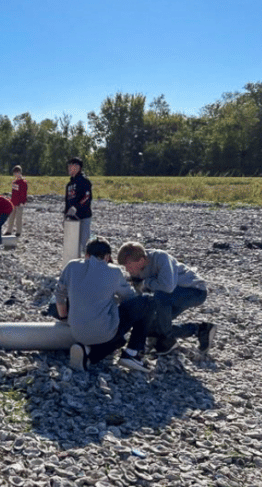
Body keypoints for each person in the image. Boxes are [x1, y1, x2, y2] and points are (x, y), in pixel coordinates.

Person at [56, 237, 152, 372]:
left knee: (120, 340)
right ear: (107, 257)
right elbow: (130, 298)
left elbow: (59, 295)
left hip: (76, 332)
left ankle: (87, 352)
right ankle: (132, 353)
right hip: (104, 333)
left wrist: (64, 318)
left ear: (86, 255)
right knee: (146, 302)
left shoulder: (71, 266)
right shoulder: (114, 271)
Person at [117, 242, 216, 354]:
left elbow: (167, 287)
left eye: (128, 265)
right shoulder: (136, 271)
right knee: (150, 328)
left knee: (160, 296)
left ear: (140, 260)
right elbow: (140, 296)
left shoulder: (160, 258)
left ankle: (168, 340)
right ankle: (199, 330)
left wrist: (146, 283)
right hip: (169, 298)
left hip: (194, 291)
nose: (127, 269)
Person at [65, 157, 92, 255]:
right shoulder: (69, 184)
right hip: (72, 218)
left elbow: (87, 197)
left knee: (85, 243)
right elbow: (67, 201)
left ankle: (88, 261)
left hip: (84, 217)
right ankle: (75, 261)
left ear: (77, 167)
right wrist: (65, 214)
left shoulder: (84, 181)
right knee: (72, 244)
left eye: (70, 166)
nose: (68, 168)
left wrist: (76, 207)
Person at [5, 165, 28, 237]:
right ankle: (9, 231)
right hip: (13, 202)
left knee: (19, 218)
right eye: (15, 173)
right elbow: (14, 193)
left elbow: (24, 193)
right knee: (11, 217)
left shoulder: (23, 182)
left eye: (17, 172)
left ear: (20, 172)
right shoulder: (15, 182)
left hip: (20, 203)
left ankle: (18, 232)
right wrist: (11, 201)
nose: (16, 174)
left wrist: (22, 202)